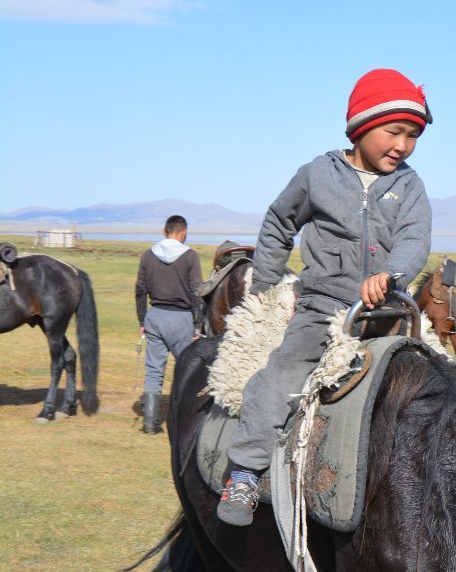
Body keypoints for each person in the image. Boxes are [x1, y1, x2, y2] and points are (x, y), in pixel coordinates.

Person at [217, 68, 433, 526]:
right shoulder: (317, 175)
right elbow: (279, 222)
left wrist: (392, 275)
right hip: (325, 307)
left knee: (445, 386)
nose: (403, 145)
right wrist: (265, 286)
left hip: (391, 309)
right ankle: (245, 471)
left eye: (413, 136)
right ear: (360, 127)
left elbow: (415, 238)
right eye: (394, 132)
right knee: (281, 374)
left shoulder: (409, 185)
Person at [135, 215, 203, 434]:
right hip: (182, 318)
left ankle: (150, 424)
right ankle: (184, 421)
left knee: (154, 371)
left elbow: (140, 290)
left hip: (155, 316)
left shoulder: (147, 255)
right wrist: (198, 323)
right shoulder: (190, 256)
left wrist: (142, 320)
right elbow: (196, 292)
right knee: (187, 371)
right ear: (183, 232)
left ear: (165, 232)